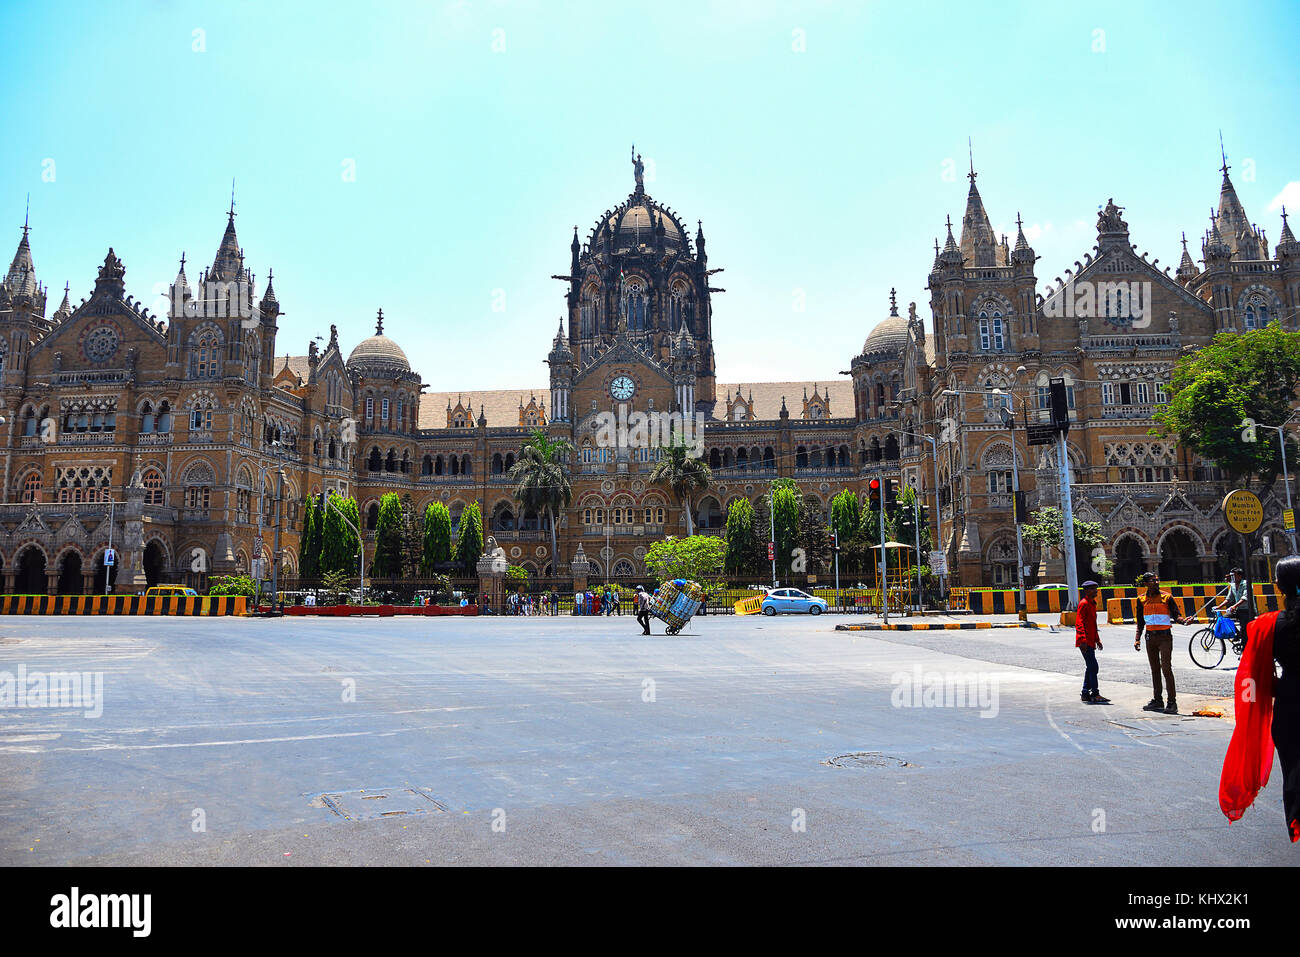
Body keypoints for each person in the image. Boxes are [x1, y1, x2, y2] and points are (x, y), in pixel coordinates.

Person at [1220, 553, 1300, 842]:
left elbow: (1252, 681)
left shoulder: (1266, 626)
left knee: (1294, 769)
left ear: (1279, 587)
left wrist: (1274, 692)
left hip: (1291, 708)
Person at [1134, 571, 1189, 714]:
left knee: (1166, 668)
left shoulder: (1167, 597)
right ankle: (1157, 700)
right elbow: (1140, 621)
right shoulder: (1140, 599)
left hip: (1165, 637)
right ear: (1145, 583)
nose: (1156, 583)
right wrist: (1137, 639)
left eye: (1157, 580)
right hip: (1149, 638)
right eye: (1152, 580)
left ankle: (1172, 702)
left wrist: (1183, 621)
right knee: (1154, 670)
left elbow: (1176, 615)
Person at [1076, 580, 1109, 704]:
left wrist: (1097, 639)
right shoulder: (1084, 603)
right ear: (1086, 591)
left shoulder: (1092, 603)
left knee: (1090, 667)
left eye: (1096, 588)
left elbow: (1092, 624)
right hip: (1084, 641)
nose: (1095, 591)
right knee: (1093, 666)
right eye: (1092, 589)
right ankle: (1094, 693)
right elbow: (1079, 623)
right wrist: (1083, 640)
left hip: (1090, 640)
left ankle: (1085, 692)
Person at [1218, 567, 1254, 634]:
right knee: (1224, 618)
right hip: (1237, 610)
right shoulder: (1233, 586)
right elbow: (1228, 599)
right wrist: (1219, 606)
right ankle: (1237, 633)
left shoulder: (1246, 584)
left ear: (1240, 576)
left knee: (1244, 630)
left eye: (1234, 576)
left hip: (1247, 610)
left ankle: (1244, 640)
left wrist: (1234, 606)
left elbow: (1244, 598)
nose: (1233, 578)